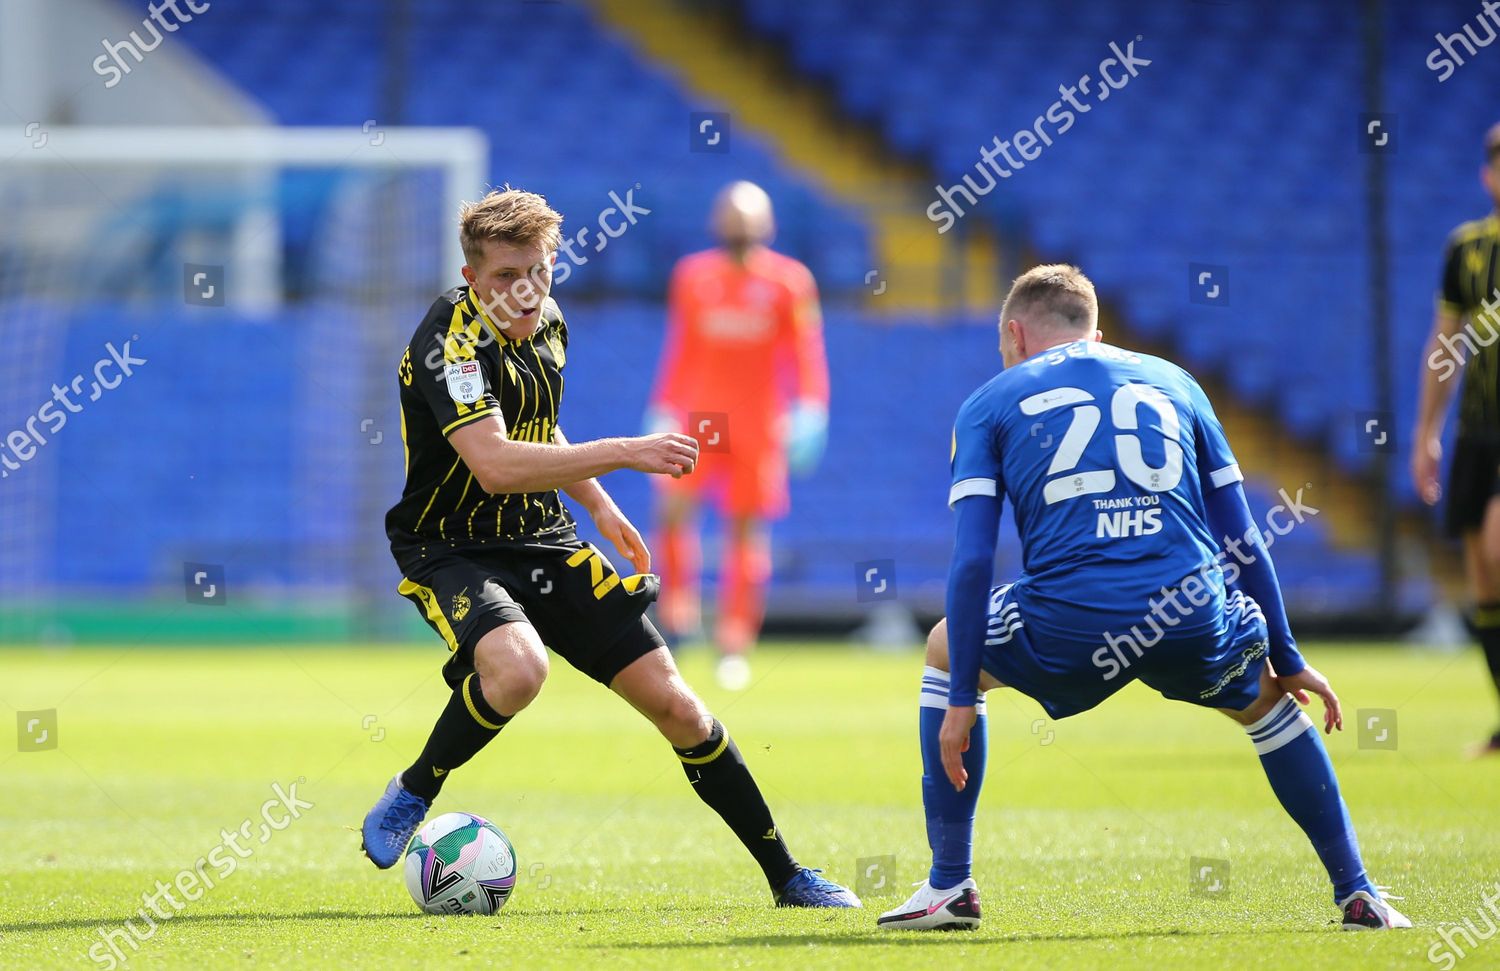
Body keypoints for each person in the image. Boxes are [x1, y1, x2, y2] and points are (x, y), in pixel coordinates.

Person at [361, 187, 858, 909]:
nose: (524, 290)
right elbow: (496, 463)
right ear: (471, 277)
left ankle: (789, 876)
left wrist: (600, 505)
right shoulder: (449, 341)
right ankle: (415, 787)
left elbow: (541, 424)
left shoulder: (550, 322)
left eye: (537, 270)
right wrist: (625, 451)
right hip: (451, 544)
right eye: (504, 275)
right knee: (519, 670)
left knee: (681, 709)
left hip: (543, 537)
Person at [878, 264, 1409, 931]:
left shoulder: (989, 402)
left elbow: (975, 558)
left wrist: (961, 699)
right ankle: (1357, 893)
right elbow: (1243, 536)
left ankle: (949, 885)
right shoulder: (1176, 382)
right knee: (1268, 699)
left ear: (1014, 334)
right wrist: (1287, 652)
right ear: (1096, 333)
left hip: (1073, 620)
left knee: (943, 645)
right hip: (1188, 612)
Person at [645, 181, 830, 690]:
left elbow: (806, 353)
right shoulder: (692, 276)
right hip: (698, 420)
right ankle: (679, 624)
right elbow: (680, 348)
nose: (740, 227)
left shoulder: (791, 282)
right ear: (716, 223)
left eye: (749, 219)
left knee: (745, 531)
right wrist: (663, 405)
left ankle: (733, 643)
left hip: (759, 424)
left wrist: (812, 409)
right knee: (673, 515)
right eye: (731, 217)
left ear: (767, 225)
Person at [1412, 122, 1500, 756]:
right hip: (1477, 430)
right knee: (1484, 582)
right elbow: (1446, 344)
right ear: (1487, 175)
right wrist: (1426, 433)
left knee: (1498, 547)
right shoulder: (1466, 248)